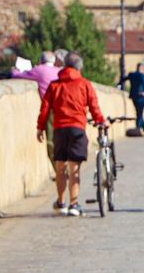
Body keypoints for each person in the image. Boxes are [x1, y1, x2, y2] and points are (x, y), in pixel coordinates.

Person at [37, 53, 107, 216]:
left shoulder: (54, 85)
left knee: (60, 167)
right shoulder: (84, 84)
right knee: (74, 168)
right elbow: (94, 106)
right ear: (79, 67)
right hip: (77, 128)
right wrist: (100, 121)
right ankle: (74, 204)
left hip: (59, 130)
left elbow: (45, 109)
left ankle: (61, 202)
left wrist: (40, 128)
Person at [16, 51, 66, 211]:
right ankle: (66, 173)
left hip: (51, 110)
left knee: (51, 144)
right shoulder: (59, 72)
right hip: (65, 109)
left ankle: (59, 172)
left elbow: (18, 76)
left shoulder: (39, 70)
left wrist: (14, 70)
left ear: (41, 60)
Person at [125, 62, 144, 134]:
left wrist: (119, 85)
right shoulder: (142, 76)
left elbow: (123, 79)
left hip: (133, 95)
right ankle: (138, 128)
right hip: (140, 96)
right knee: (140, 113)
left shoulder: (131, 74)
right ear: (141, 68)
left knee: (138, 112)